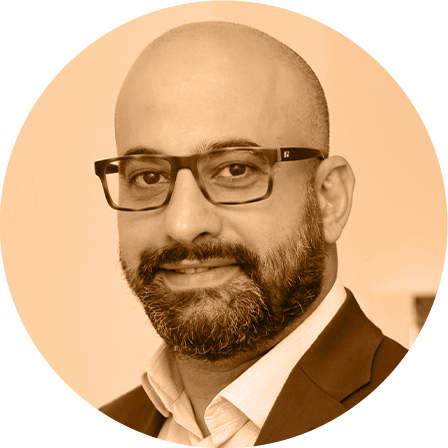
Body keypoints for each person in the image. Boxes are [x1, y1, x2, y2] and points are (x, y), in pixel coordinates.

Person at [72, 21, 435, 448]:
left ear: (328, 199)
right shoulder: (104, 433)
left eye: (235, 170)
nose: (183, 225)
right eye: (149, 176)